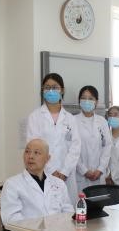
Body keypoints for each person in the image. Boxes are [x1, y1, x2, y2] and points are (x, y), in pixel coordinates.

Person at [26, 73, 82, 205]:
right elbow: (33, 148)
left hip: (66, 176)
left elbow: (75, 148)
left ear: (62, 90)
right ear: (42, 90)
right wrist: (51, 170)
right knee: (46, 210)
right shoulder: (35, 117)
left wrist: (64, 172)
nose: (51, 91)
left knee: (68, 211)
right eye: (47, 87)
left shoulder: (70, 118)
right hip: (44, 173)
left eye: (55, 87)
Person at [74, 85, 111, 194]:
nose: (87, 101)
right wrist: (84, 171)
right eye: (83, 98)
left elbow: (107, 146)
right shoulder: (72, 121)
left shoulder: (102, 122)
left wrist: (100, 169)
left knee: (98, 202)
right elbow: (71, 149)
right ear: (79, 101)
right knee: (81, 202)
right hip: (79, 176)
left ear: (96, 102)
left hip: (99, 175)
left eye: (90, 98)